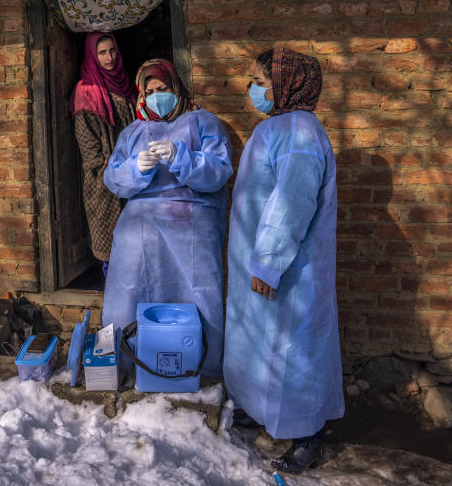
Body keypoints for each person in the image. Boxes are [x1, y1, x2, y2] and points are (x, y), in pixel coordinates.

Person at [223, 48, 344, 474]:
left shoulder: (300, 133)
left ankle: (308, 435)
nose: (253, 89)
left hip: (290, 270)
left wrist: (269, 262)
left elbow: (291, 203)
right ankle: (260, 411)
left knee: (296, 351)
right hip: (265, 264)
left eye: (260, 80)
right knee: (264, 343)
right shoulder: (279, 127)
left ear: (287, 83)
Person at [102, 58, 233, 378]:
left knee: (200, 292)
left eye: (163, 89)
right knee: (127, 286)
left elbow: (218, 173)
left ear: (177, 89)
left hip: (193, 215)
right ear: (141, 96)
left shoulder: (204, 123)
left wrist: (182, 158)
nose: (157, 96)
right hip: (141, 218)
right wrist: (137, 168)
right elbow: (113, 178)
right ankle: (122, 362)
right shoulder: (133, 132)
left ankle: (206, 365)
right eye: (150, 91)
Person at [70, 33, 137, 273]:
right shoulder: (86, 91)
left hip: (134, 173)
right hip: (104, 179)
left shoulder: (125, 83)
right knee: (111, 249)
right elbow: (87, 143)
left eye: (112, 51)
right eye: (102, 53)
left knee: (136, 245)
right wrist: (109, 165)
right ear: (92, 56)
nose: (109, 58)